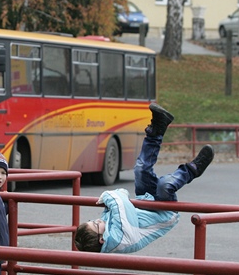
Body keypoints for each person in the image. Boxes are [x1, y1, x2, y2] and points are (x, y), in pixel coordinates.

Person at [74, 103, 215, 254]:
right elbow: (120, 201)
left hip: (145, 202)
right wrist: (107, 196)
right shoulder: (119, 239)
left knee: (141, 169)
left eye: (92, 220)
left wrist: (116, 197)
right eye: (95, 224)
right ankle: (193, 169)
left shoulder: (106, 229)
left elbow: (121, 197)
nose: (98, 220)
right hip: (164, 215)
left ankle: (158, 128)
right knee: (164, 185)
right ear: (101, 239)